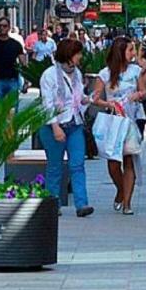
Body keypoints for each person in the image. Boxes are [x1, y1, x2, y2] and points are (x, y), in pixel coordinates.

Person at [92, 36, 146, 215]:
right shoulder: (104, 74)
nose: (133, 53)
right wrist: (108, 104)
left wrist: (138, 95)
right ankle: (120, 189)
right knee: (113, 162)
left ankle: (127, 202)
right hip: (113, 121)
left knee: (129, 160)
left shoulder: (135, 71)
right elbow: (96, 98)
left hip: (130, 121)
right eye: (130, 50)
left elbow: (144, 92)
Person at [36, 38, 93, 217]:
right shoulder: (49, 75)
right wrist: (55, 126)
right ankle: (53, 203)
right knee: (55, 165)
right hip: (54, 125)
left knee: (78, 164)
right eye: (78, 54)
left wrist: (88, 99)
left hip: (73, 123)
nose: (80, 57)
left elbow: (77, 97)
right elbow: (47, 103)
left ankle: (81, 204)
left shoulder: (76, 73)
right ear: (69, 55)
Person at [0, 18, 26, 102]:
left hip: (13, 80)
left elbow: (23, 63)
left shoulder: (16, 44)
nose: (2, 28)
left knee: (13, 108)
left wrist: (26, 80)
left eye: (4, 26)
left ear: (9, 28)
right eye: (0, 26)